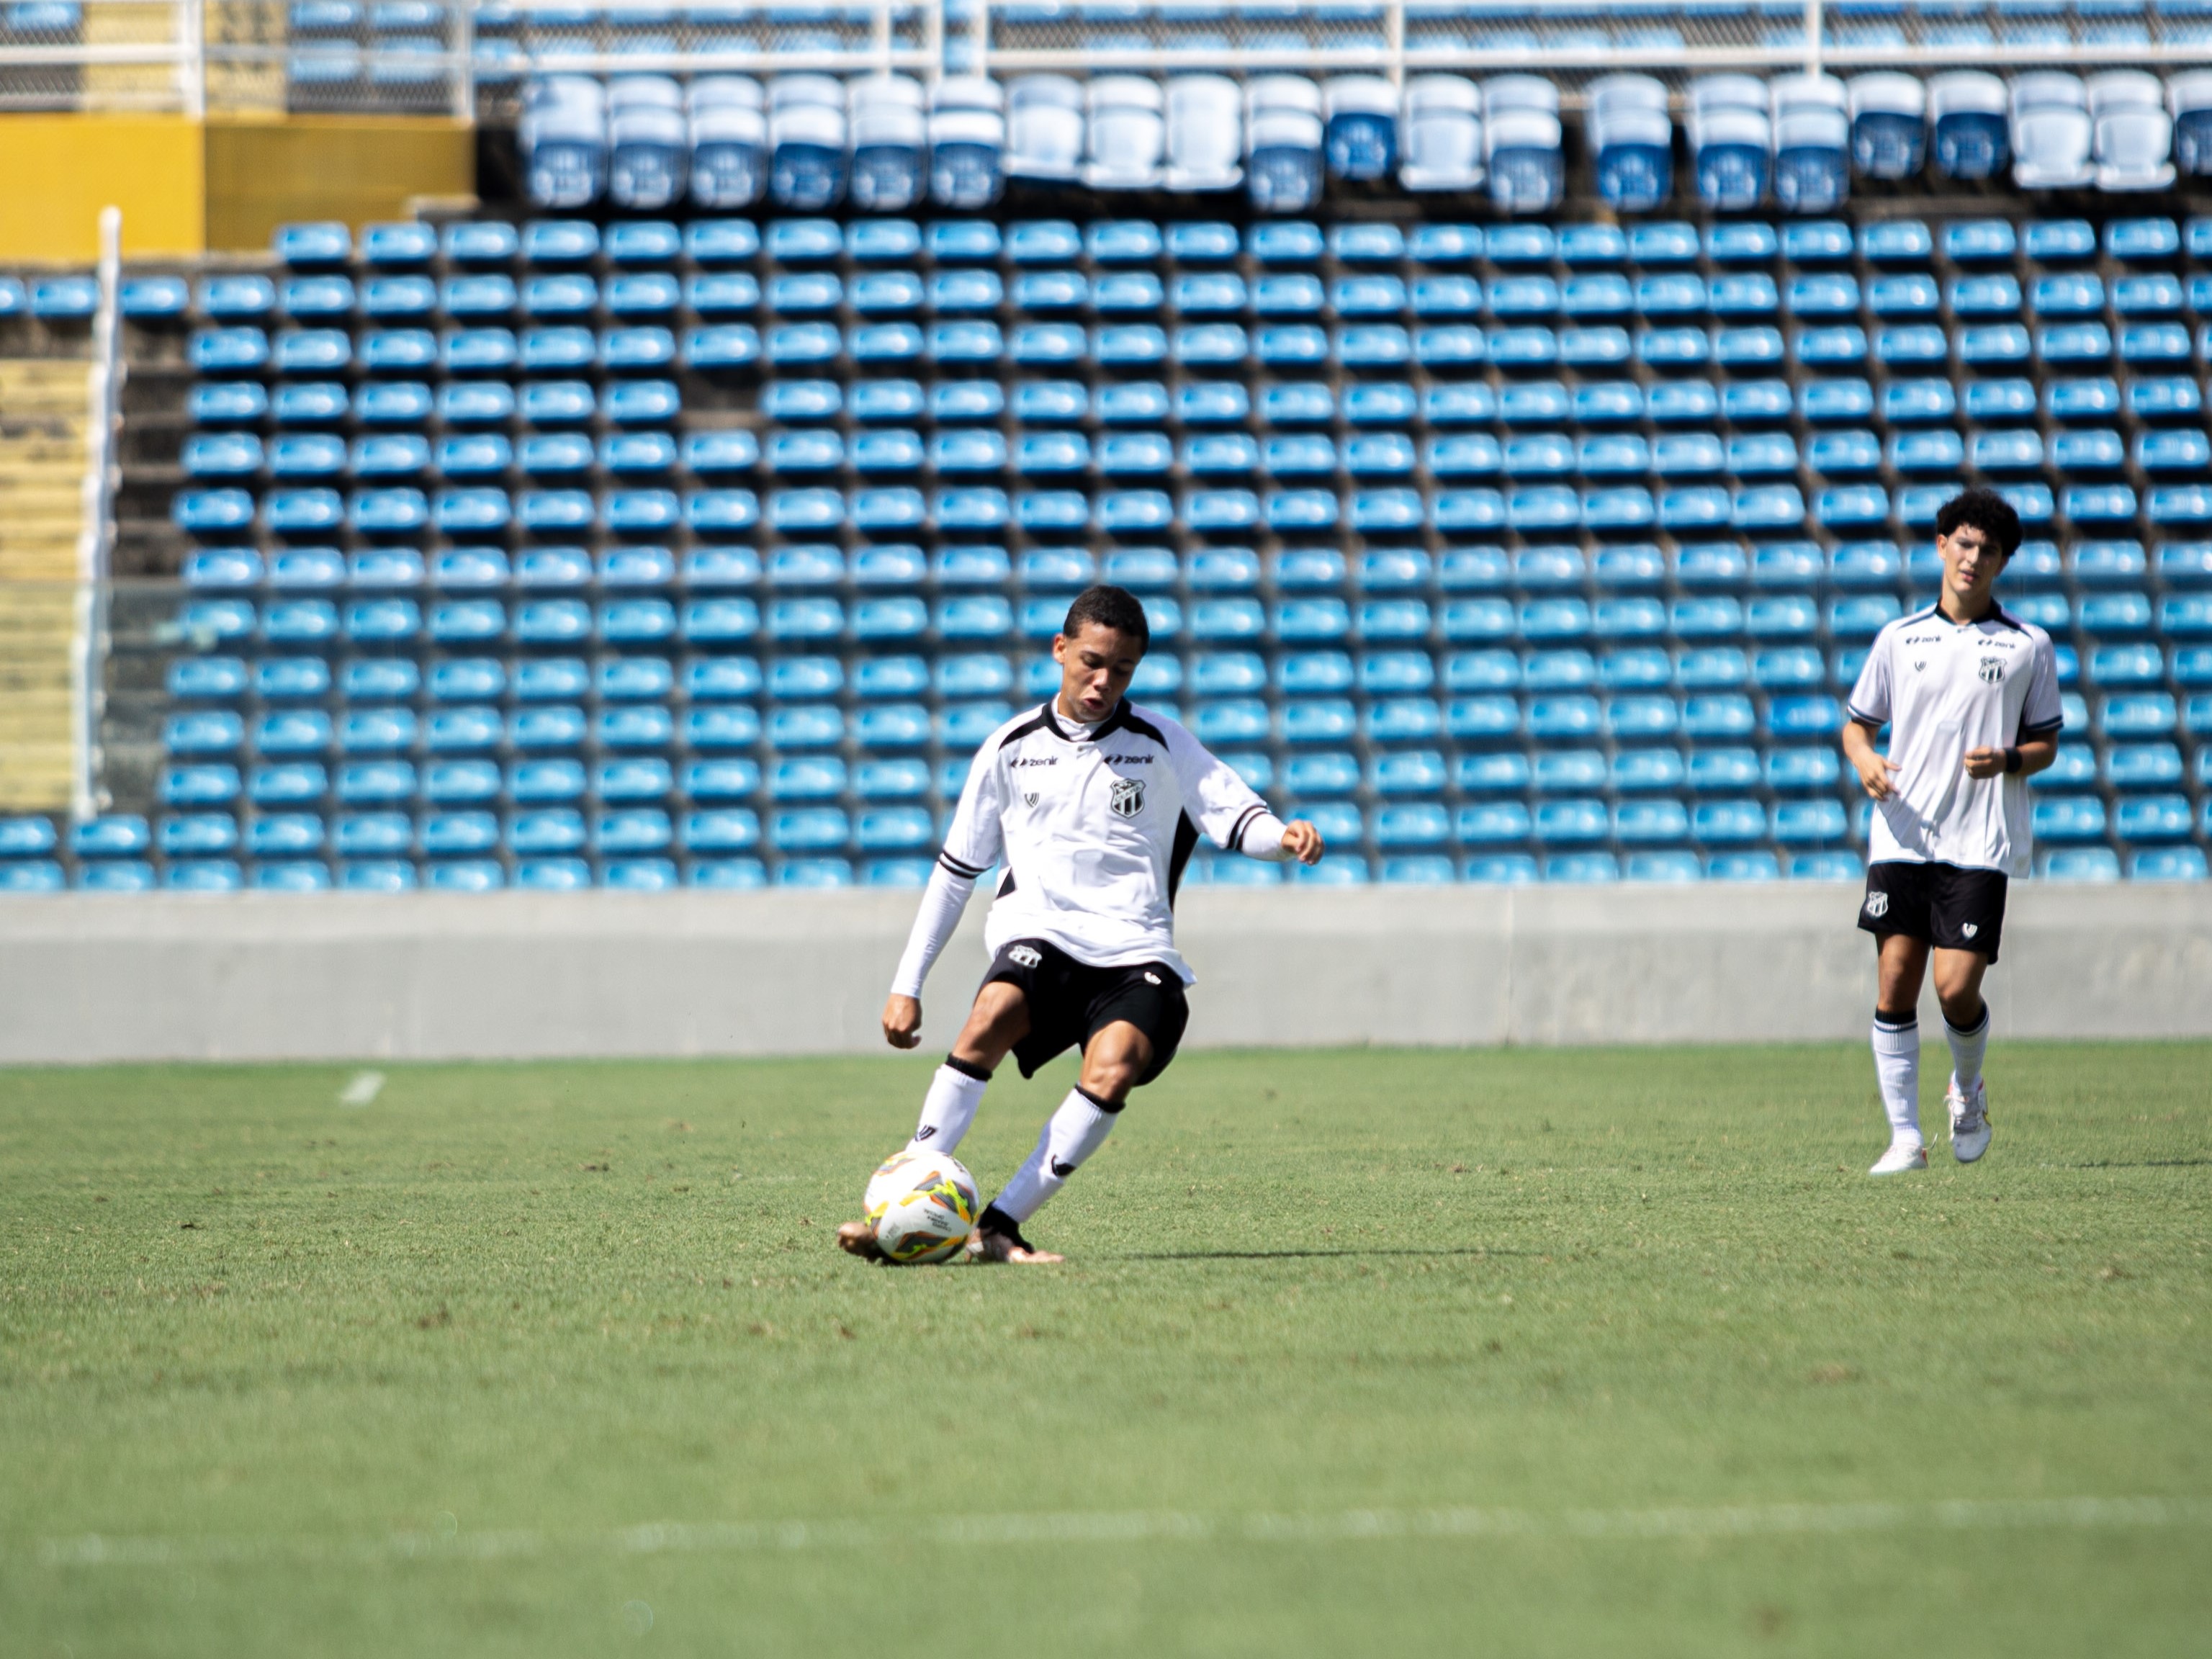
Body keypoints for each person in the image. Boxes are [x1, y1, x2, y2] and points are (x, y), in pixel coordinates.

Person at [838, 583, 1326, 1263]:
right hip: (1042, 933)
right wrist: (906, 982)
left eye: (1121, 669)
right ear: (1060, 649)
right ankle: (897, 1203)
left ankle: (999, 1228)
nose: (1103, 681)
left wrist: (1284, 838)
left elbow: (1235, 815)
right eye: (1091, 662)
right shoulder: (1009, 747)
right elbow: (956, 872)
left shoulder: (1160, 742)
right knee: (991, 1013)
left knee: (1115, 1066)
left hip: (1136, 950)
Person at [1841, 487, 2063, 1177]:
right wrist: (1865, 760)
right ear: (1941, 546)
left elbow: (2048, 744)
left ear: (2002, 563)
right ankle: (1905, 1137)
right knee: (1895, 980)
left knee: (1955, 988)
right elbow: (1856, 724)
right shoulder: (1899, 638)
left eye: (1988, 550)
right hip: (1902, 835)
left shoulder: (2028, 646)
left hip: (1978, 842)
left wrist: (2006, 759)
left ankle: (1966, 1089)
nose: (1973, 558)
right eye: (1963, 544)